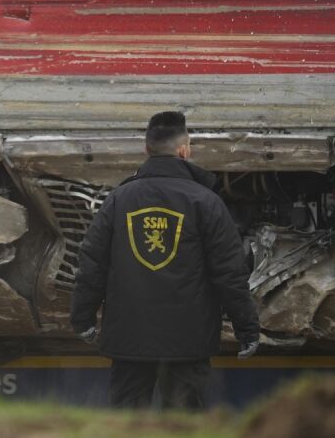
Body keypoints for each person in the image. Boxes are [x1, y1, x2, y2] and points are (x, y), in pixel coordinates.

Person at [70, 110, 260, 409]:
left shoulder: (119, 200)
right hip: (188, 342)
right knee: (183, 427)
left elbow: (92, 264)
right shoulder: (206, 202)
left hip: (129, 340)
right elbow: (230, 273)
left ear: (146, 149)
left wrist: (82, 318)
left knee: (128, 427)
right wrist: (246, 329)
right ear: (185, 149)